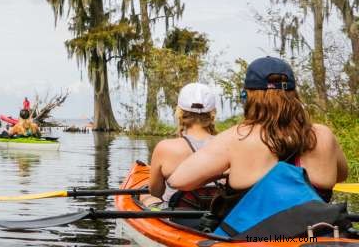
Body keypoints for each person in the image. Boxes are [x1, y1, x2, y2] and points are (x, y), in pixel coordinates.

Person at [168, 57, 349, 238]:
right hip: (314, 236)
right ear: (294, 94)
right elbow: (341, 175)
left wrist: (224, 172)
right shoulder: (323, 135)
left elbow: (178, 181)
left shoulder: (238, 136)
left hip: (254, 239)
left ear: (248, 96)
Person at [143, 82, 218, 208]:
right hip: (215, 215)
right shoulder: (227, 145)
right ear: (212, 114)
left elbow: (156, 192)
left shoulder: (165, 147)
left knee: (146, 197)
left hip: (176, 217)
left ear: (180, 113)